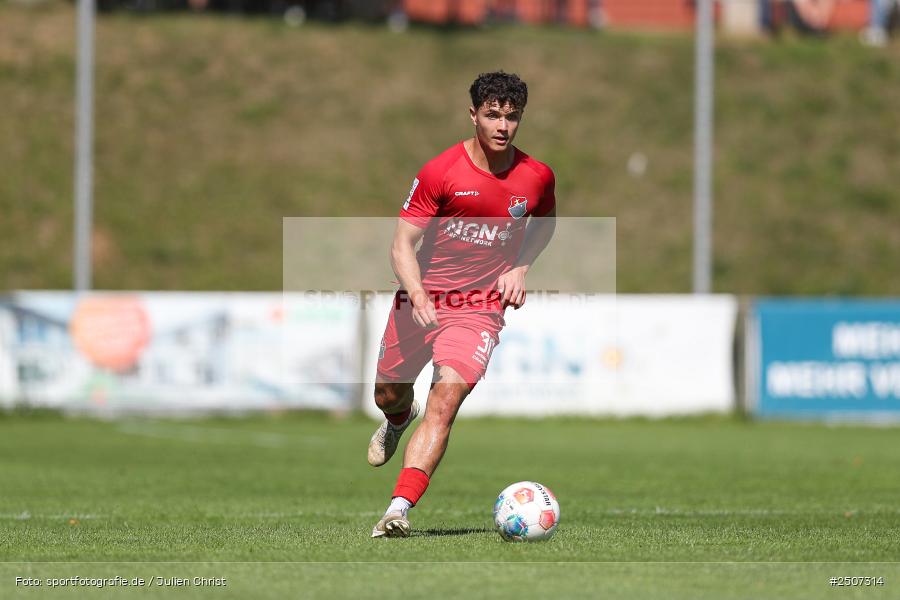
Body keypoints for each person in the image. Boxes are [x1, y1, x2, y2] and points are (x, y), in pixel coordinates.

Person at [367, 71, 557, 538]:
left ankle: (397, 509)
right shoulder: (441, 172)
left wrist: (520, 267)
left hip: (478, 308)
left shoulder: (536, 177)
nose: (502, 126)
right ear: (473, 114)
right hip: (421, 300)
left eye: (512, 118)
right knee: (387, 393)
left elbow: (546, 224)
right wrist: (416, 294)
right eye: (492, 115)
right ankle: (396, 418)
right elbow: (401, 246)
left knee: (445, 400)